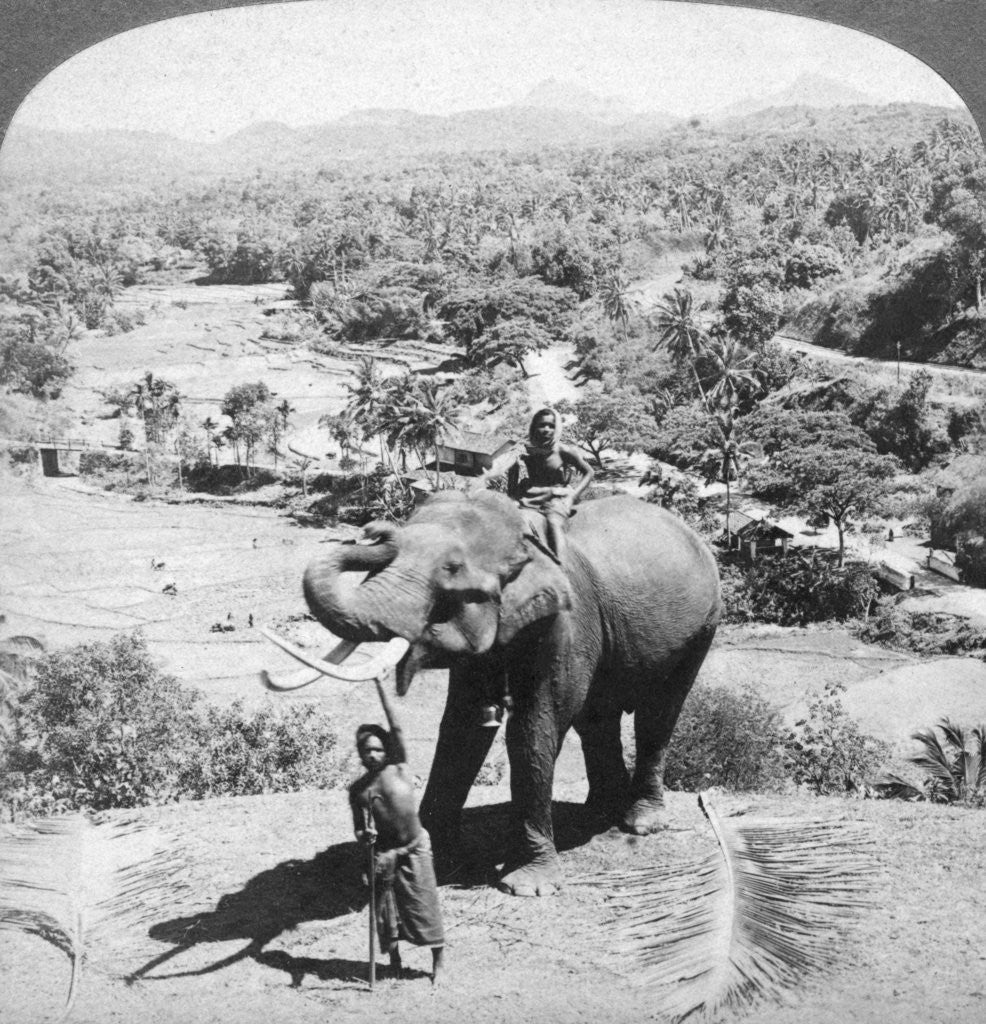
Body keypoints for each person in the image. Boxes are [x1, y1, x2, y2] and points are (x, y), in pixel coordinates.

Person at [349, 679, 445, 985]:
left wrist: (379, 684)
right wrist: (365, 837)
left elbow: (397, 725)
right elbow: (358, 830)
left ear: (386, 750)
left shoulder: (400, 768)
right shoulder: (359, 790)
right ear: (360, 754)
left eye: (378, 749)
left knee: (424, 905)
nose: (373, 755)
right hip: (384, 855)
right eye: (367, 751)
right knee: (387, 912)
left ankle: (438, 962)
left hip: (415, 847)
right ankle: (395, 961)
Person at [506, 407, 594, 564]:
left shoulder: (563, 450)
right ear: (534, 427)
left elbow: (589, 472)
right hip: (529, 494)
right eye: (542, 425)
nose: (546, 430)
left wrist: (573, 497)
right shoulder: (525, 450)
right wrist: (512, 493)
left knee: (554, 524)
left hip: (556, 496)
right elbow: (512, 480)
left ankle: (563, 567)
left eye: (551, 426)